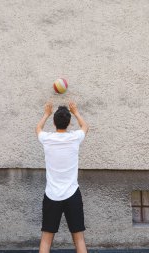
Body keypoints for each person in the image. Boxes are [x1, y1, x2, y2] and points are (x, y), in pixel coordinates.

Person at [36, 100, 89, 253]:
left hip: (52, 195)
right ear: (69, 122)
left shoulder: (47, 139)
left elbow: (38, 128)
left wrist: (46, 114)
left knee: (46, 239)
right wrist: (76, 111)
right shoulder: (75, 138)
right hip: (72, 194)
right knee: (79, 239)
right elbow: (85, 127)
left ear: (54, 122)